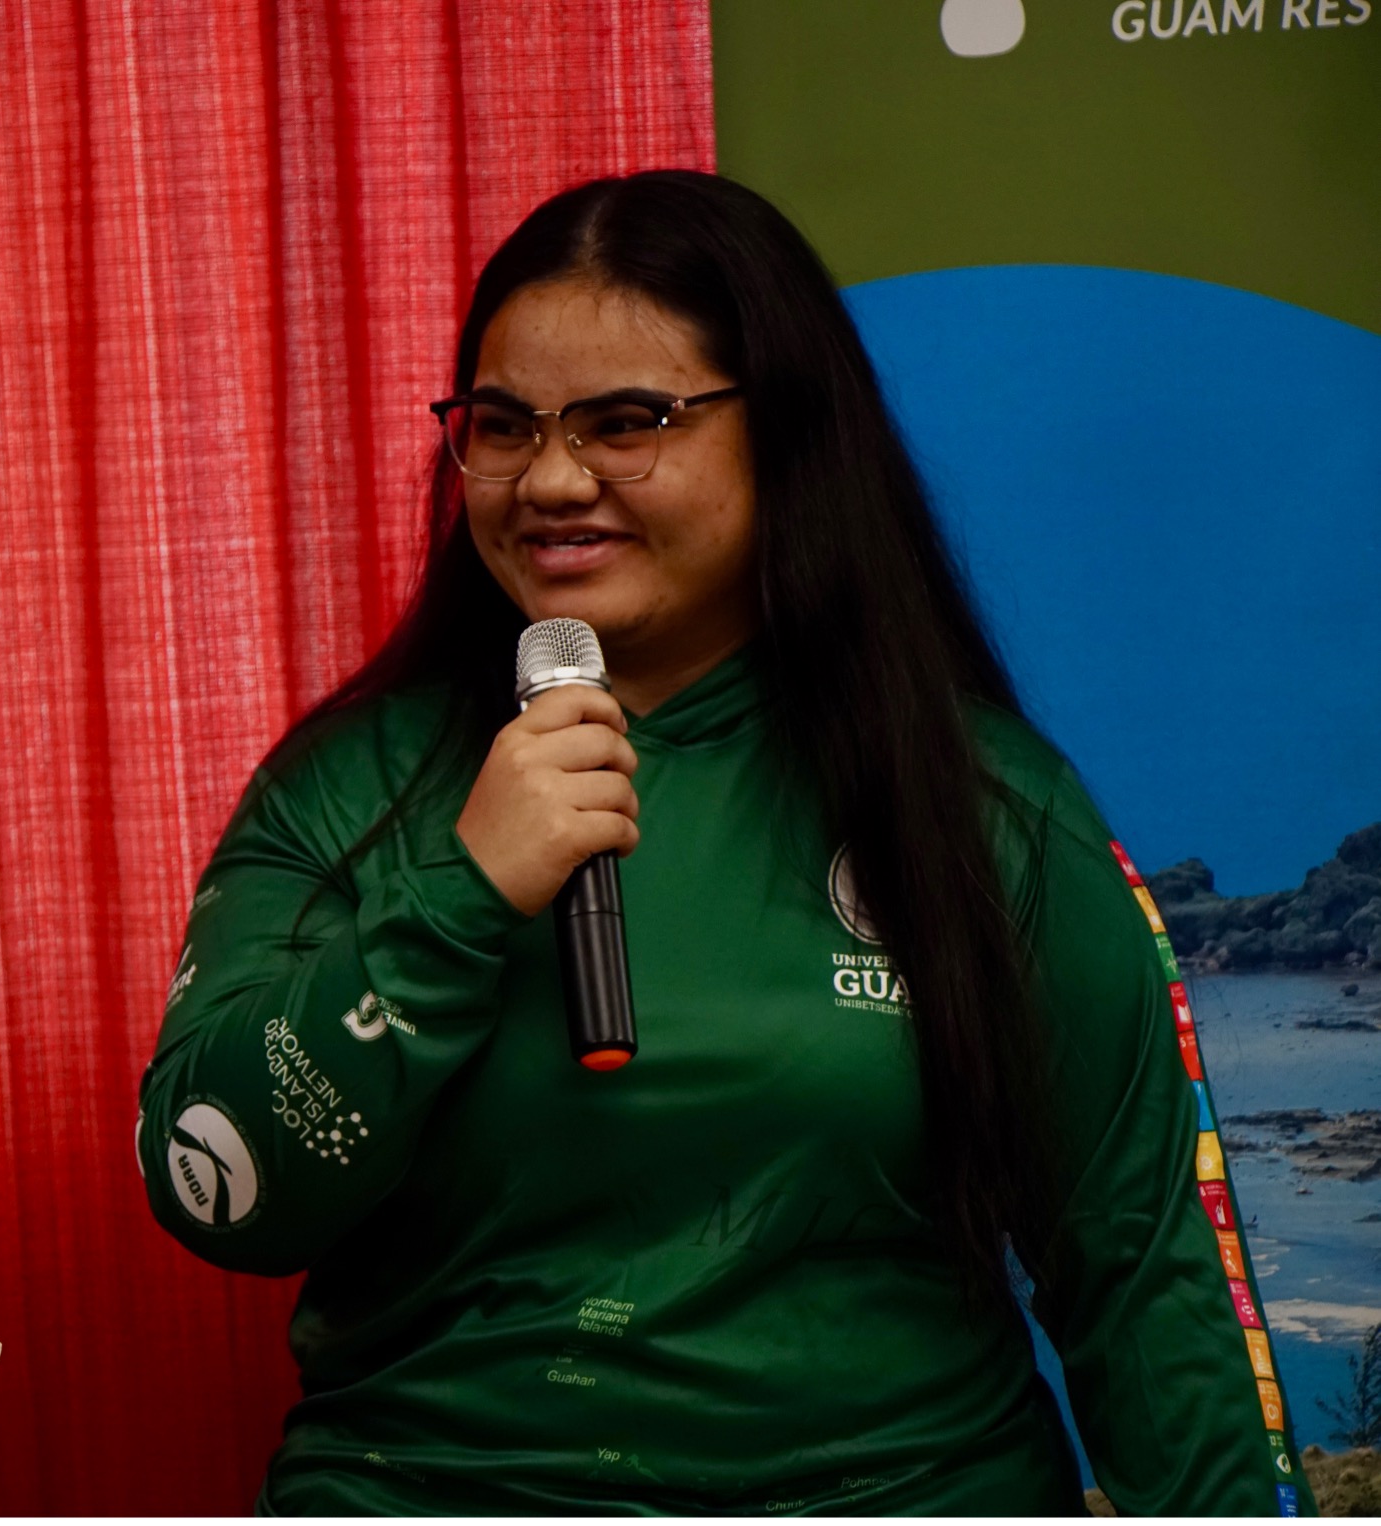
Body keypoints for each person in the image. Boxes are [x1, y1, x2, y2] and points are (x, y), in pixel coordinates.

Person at [134, 171, 1314, 1515]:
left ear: (790, 434)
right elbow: (216, 1188)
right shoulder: (352, 785)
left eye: (627, 422)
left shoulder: (980, 801)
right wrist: (455, 896)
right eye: (503, 426)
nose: (553, 479)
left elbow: (1143, 1266)